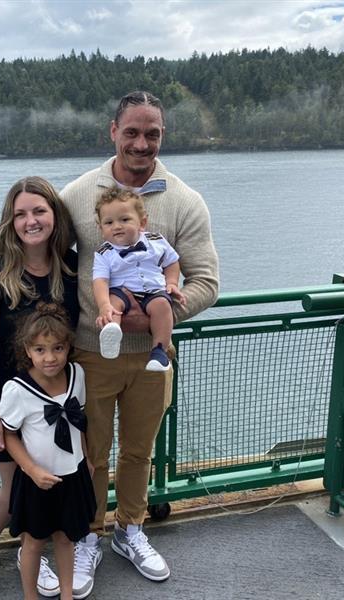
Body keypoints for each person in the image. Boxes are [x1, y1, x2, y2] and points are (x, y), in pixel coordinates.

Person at [61, 91, 219, 597]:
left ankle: (129, 529)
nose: (141, 143)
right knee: (91, 454)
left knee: (138, 453)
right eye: (131, 131)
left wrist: (157, 315)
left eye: (151, 133)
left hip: (153, 357)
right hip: (92, 352)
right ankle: (88, 533)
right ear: (113, 131)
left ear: (162, 136)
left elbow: (206, 282)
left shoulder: (185, 200)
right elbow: (48, 264)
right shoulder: (77, 196)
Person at [0, 177, 79, 600]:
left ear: (54, 214)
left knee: (50, 482)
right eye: (20, 214)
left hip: (56, 403)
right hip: (11, 403)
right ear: (10, 221)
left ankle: (30, 552)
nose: (30, 221)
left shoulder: (70, 268)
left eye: (39, 211)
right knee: (15, 489)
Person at [0, 303, 96, 600]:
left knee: (66, 539)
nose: (50, 357)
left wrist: (87, 458)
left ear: (68, 347)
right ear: (27, 350)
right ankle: (31, 596)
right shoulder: (17, 389)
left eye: (57, 348)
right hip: (36, 480)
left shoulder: (77, 375)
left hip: (73, 474)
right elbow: (9, 435)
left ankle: (67, 594)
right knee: (33, 542)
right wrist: (32, 470)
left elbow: (79, 420)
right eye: (40, 350)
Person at [92, 186, 187, 371]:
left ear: (142, 223)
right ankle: (112, 332)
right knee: (113, 305)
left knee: (162, 306)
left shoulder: (156, 241)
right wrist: (103, 306)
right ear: (101, 229)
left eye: (125, 220)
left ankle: (159, 351)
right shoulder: (104, 253)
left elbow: (172, 262)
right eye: (109, 222)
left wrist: (172, 283)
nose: (117, 226)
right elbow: (100, 280)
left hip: (153, 290)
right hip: (121, 291)